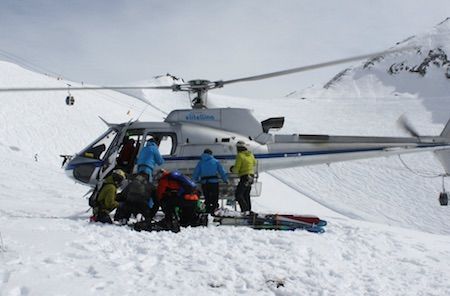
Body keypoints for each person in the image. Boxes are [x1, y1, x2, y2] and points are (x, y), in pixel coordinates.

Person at [192, 148, 228, 214]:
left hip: (204, 183)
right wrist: (225, 179)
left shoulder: (201, 162)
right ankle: (215, 210)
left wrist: (194, 181)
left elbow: (196, 172)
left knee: (207, 197)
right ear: (211, 154)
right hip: (214, 182)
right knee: (215, 197)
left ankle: (207, 211)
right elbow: (222, 171)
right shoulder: (216, 161)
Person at [231, 141, 257, 213]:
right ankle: (248, 210)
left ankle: (245, 210)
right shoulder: (250, 154)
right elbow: (254, 163)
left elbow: (237, 168)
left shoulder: (240, 155)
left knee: (238, 195)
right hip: (251, 176)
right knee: (246, 194)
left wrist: (232, 169)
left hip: (245, 176)